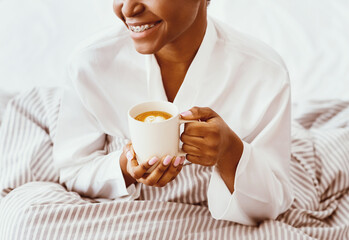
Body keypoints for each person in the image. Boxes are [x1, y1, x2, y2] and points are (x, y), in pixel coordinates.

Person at [53, 0, 293, 225]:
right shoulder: (89, 65)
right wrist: (126, 169)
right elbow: (73, 169)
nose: (127, 9)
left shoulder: (264, 73)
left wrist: (230, 151)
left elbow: (273, 201)